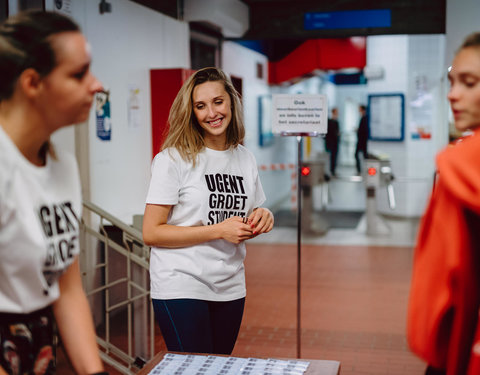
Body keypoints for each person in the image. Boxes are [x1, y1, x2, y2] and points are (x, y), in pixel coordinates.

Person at [0, 10, 105, 375]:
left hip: (39, 341)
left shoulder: (63, 166)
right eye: (79, 74)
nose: (96, 85)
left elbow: (68, 288)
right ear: (32, 83)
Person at [142, 67, 274, 355]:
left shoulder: (245, 158)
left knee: (218, 366)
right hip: (181, 282)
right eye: (200, 106)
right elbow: (151, 232)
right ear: (191, 112)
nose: (211, 112)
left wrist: (264, 216)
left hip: (230, 283)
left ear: (231, 102)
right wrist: (218, 230)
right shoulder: (173, 159)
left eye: (218, 102)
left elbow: (252, 210)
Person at [407, 32, 480, 375]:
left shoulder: (459, 169)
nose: (453, 94)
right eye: (453, 81)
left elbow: (441, 283)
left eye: (469, 82)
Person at [325, 107, 340, 176]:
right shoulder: (329, 121)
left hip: (335, 143)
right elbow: (328, 133)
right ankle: (329, 171)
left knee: (334, 157)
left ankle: (333, 170)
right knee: (330, 157)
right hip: (330, 143)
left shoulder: (336, 122)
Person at [355, 104, 369, 174]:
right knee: (361, 155)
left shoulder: (365, 118)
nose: (358, 110)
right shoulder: (362, 118)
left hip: (362, 141)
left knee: (363, 156)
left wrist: (358, 130)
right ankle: (360, 170)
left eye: (359, 108)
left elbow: (364, 130)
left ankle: (363, 171)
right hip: (361, 140)